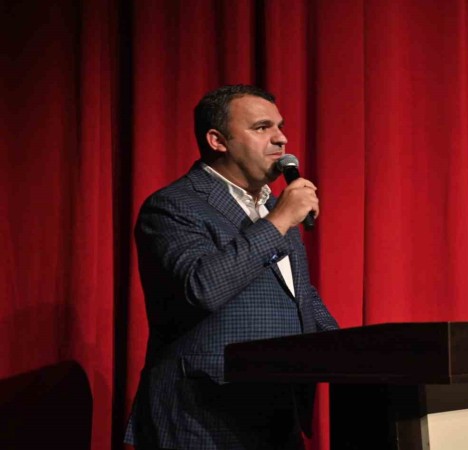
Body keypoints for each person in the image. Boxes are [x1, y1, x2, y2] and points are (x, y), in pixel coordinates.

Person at [124, 85, 339, 450]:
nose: (281, 138)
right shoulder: (173, 206)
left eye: (280, 126)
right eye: (262, 127)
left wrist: (352, 349)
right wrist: (278, 221)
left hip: (277, 411)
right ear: (218, 140)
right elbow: (201, 287)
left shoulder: (272, 207)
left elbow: (298, 294)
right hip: (202, 415)